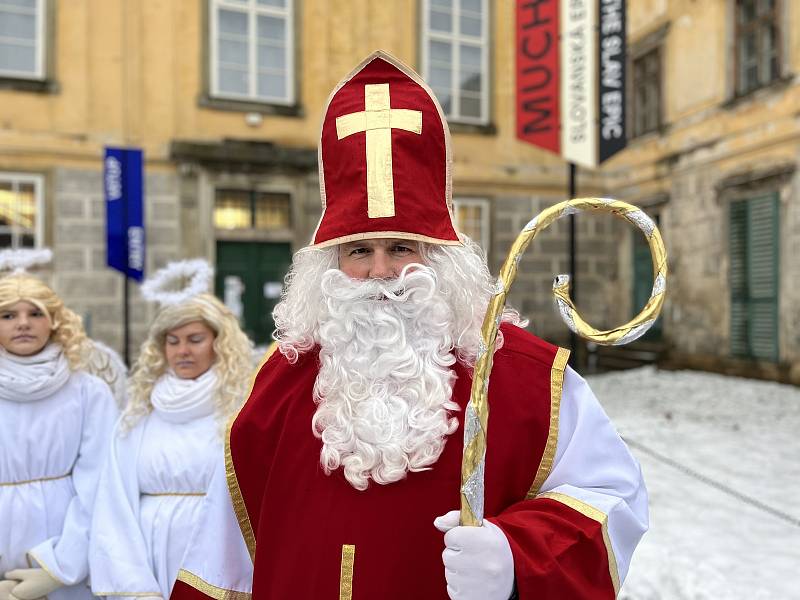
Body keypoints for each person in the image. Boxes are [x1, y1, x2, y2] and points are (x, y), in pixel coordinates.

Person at [171, 51, 648, 599]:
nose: (379, 272)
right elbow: (222, 550)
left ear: (443, 257)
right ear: (330, 264)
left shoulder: (527, 378)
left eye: (401, 247)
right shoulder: (283, 378)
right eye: (358, 250)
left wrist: (517, 556)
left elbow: (613, 498)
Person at [89, 260, 254, 600]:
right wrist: (132, 583)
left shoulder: (240, 410)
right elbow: (114, 500)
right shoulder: (139, 412)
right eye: (173, 340)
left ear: (219, 343)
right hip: (147, 554)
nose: (182, 351)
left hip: (217, 558)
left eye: (195, 339)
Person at [0, 250, 118, 600]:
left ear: (54, 321)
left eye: (35, 313)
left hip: (65, 555)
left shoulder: (87, 392)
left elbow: (99, 484)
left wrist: (61, 566)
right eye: (8, 315)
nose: (23, 323)